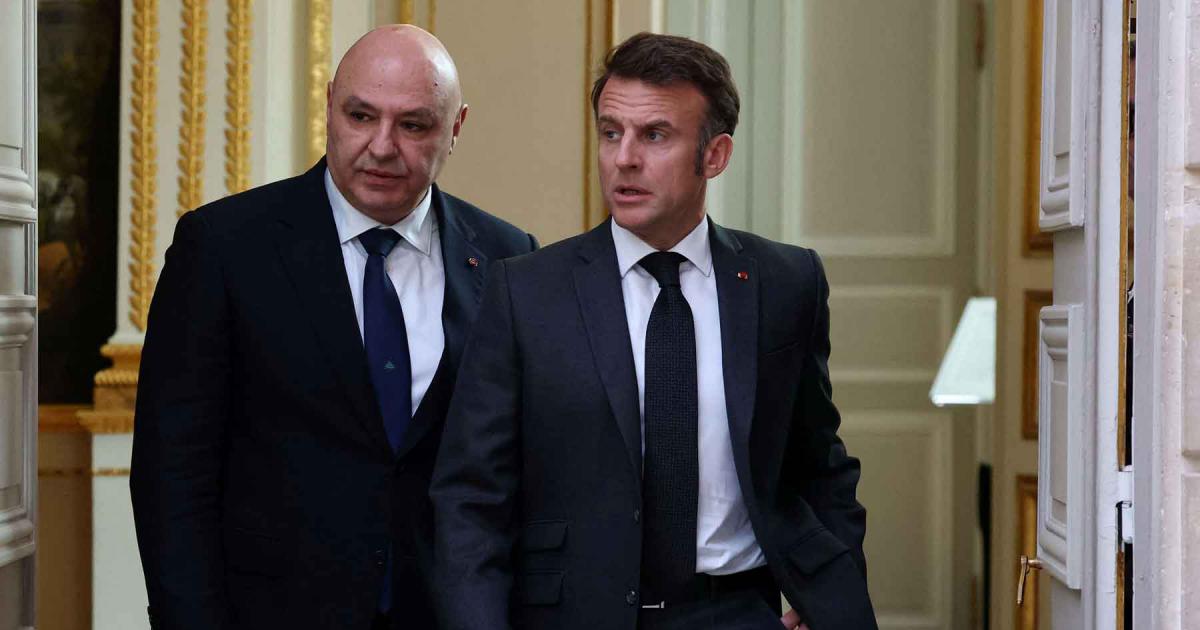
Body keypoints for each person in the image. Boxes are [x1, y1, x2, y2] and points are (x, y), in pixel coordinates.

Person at [431, 32, 876, 630]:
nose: (624, 159)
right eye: (611, 132)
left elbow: (819, 465)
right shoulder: (525, 291)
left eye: (655, 135)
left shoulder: (786, 282)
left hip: (738, 610)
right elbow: (471, 498)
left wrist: (830, 601)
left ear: (715, 155)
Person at [130, 25, 536, 630]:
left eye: (414, 125)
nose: (381, 146)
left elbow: (516, 472)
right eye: (360, 116)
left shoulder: (507, 257)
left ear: (456, 128)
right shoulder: (223, 247)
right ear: (328, 106)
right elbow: (172, 473)